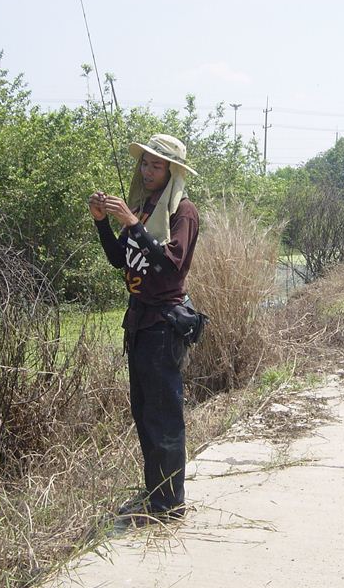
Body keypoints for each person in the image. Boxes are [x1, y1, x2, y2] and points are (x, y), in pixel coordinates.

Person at [88, 134, 199, 522]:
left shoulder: (182, 212)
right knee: (144, 412)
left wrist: (133, 224)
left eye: (157, 165)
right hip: (138, 322)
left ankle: (169, 506)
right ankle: (156, 496)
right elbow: (120, 259)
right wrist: (104, 222)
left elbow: (172, 264)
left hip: (164, 325)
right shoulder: (144, 206)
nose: (148, 171)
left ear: (172, 172)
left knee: (165, 416)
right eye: (145, 163)